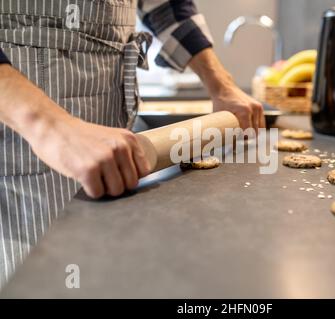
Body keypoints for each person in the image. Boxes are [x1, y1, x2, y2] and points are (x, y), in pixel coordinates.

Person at [0, 0, 265, 287]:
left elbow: (166, 5)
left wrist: (221, 84)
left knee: (104, 278)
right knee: (46, 282)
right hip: (23, 142)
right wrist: (47, 125)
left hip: (117, 147)